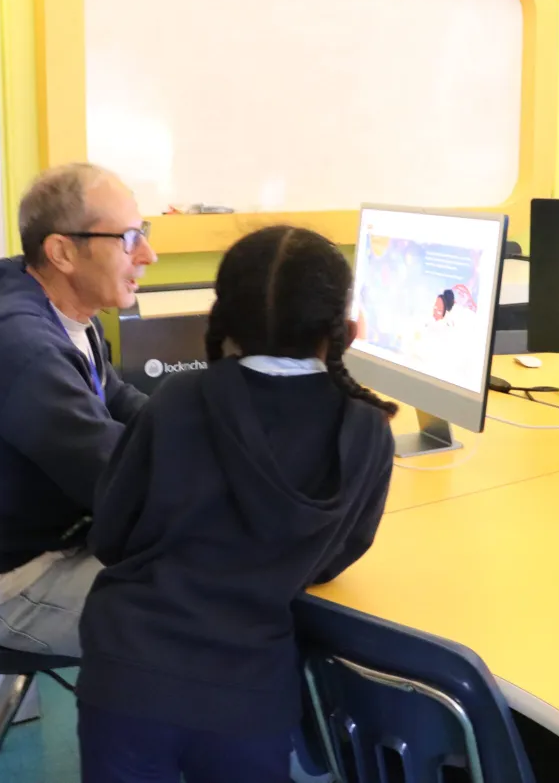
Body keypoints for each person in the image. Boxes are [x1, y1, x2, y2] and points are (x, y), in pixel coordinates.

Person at [75, 225, 397, 783]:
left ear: (222, 316)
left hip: (127, 673)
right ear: (344, 327)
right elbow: (334, 556)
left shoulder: (174, 402)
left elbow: (111, 536)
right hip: (248, 692)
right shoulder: (365, 428)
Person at [0, 163, 156, 657]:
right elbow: (116, 480)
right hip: (19, 586)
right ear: (63, 252)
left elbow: (120, 403)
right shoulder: (20, 348)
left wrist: (212, 436)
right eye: (130, 238)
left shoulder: (66, 314)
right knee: (220, 618)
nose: (149, 255)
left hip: (68, 543)